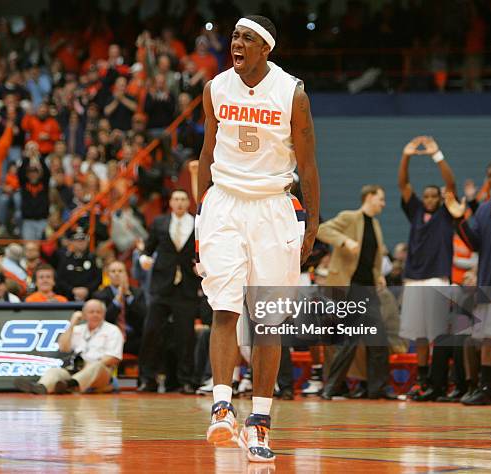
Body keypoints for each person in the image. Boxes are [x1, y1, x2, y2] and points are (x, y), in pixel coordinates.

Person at [197, 16, 319, 463]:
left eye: (247, 37)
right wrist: (199, 217)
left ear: (266, 48)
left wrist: (313, 224)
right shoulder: (215, 88)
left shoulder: (292, 94)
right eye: (234, 36)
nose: (237, 43)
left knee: (267, 320)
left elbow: (308, 166)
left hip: (273, 206)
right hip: (226, 202)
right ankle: (222, 407)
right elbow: (205, 154)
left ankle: (260, 423)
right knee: (224, 306)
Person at [397, 136, 457, 401]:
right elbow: (403, 184)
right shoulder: (416, 211)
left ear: (440, 198)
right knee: (419, 335)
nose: (431, 199)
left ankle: (438, 381)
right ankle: (422, 381)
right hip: (413, 279)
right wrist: (406, 155)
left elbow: (451, 184)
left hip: (437, 279)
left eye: (435, 195)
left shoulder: (446, 213)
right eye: (427, 195)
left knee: (438, 335)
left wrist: (437, 155)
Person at [316, 185, 389, 400]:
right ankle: (331, 387)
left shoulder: (375, 224)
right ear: (369, 197)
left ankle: (378, 389)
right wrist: (344, 241)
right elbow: (322, 229)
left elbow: (371, 258)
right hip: (349, 288)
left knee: (378, 339)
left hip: (368, 288)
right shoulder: (350, 217)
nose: (383, 204)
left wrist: (379, 275)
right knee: (349, 339)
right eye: (381, 199)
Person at [137, 189, 201, 395]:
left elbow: (204, 250)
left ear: (187, 202)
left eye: (183, 199)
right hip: (161, 286)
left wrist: (201, 265)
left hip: (187, 287)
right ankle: (148, 379)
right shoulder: (159, 223)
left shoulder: (198, 223)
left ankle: (187, 380)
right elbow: (147, 249)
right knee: (151, 332)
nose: (180, 203)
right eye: (176, 199)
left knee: (186, 336)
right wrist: (144, 259)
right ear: (171, 202)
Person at [449, 161, 491, 405]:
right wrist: (459, 220)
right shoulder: (485, 209)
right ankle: (486, 388)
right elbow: (474, 242)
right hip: (488, 283)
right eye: (489, 175)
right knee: (488, 339)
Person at [14, 299, 123, 394]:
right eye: (91, 312)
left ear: (104, 314)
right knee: (55, 371)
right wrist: (73, 323)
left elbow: (114, 358)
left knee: (96, 366)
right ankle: (41, 387)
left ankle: (70, 384)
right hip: (76, 370)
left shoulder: (112, 330)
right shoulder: (78, 329)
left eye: (98, 312)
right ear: (84, 314)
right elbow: (63, 347)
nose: (95, 315)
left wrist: (89, 365)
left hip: (102, 373)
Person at [93, 260, 147, 355]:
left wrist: (128, 296)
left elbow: (144, 317)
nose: (117, 274)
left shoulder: (137, 293)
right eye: (113, 271)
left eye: (120, 271)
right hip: (109, 338)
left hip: (134, 337)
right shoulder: (100, 295)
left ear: (126, 274)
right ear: (108, 275)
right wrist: (117, 300)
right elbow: (104, 319)